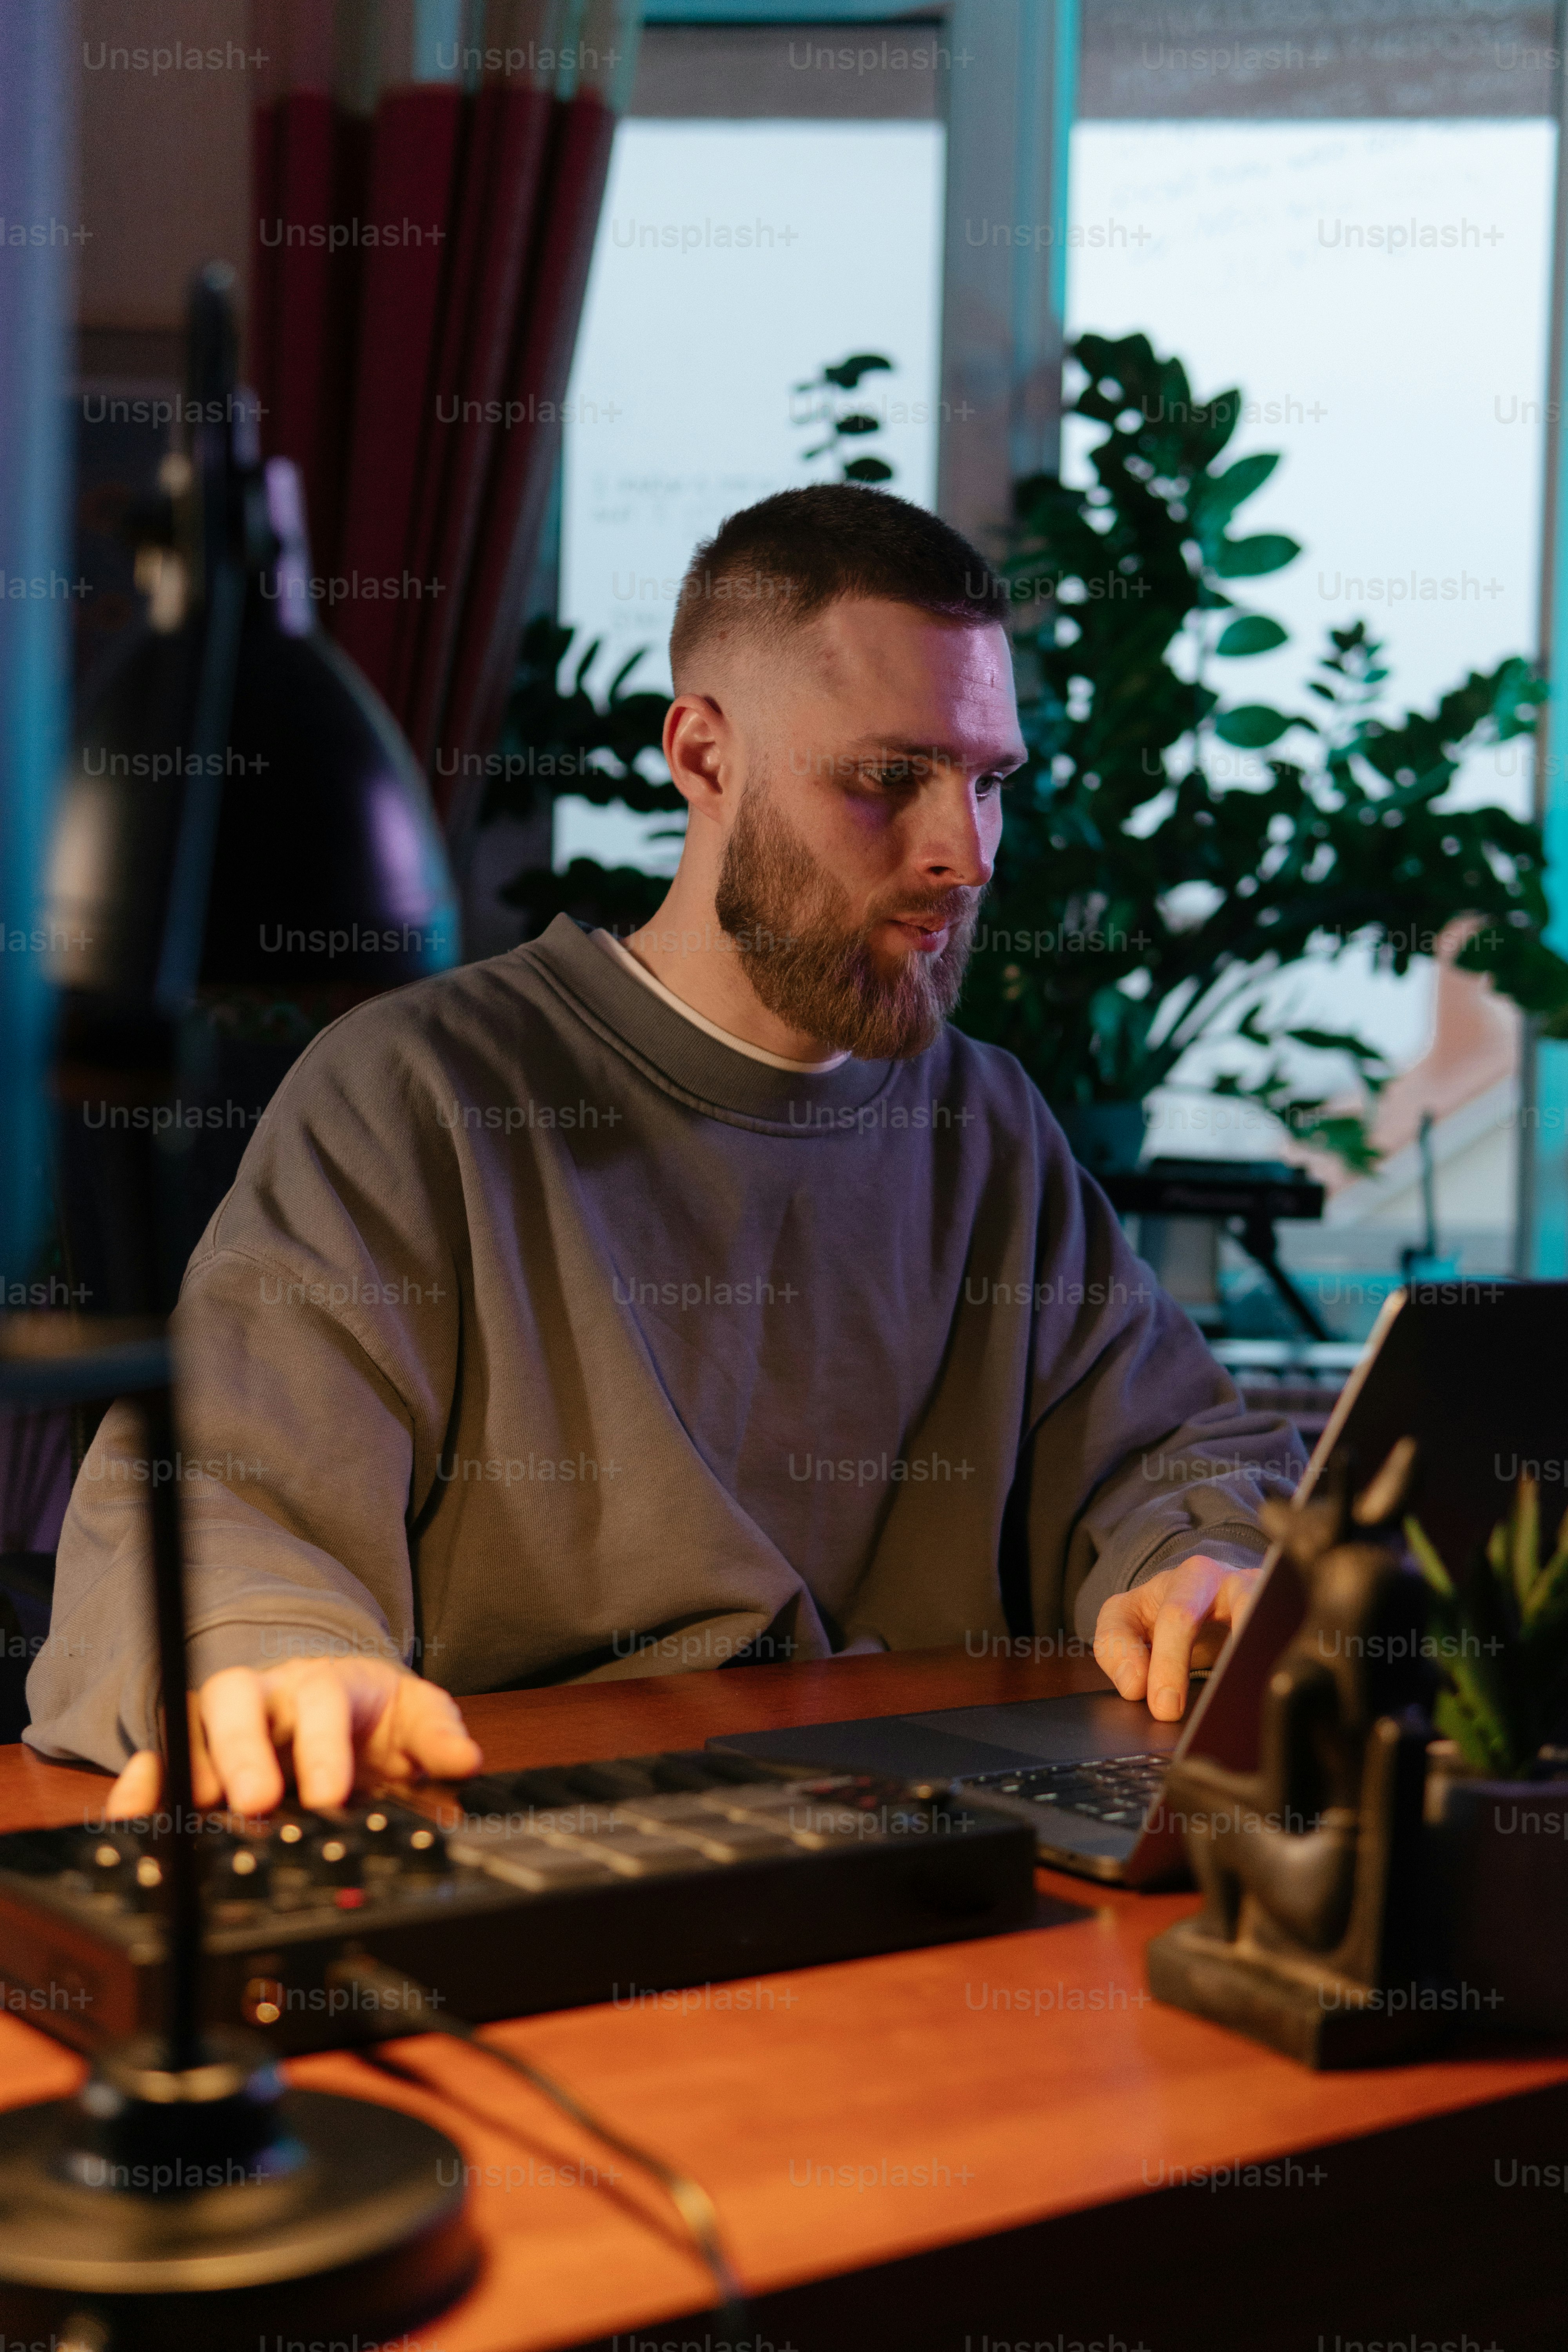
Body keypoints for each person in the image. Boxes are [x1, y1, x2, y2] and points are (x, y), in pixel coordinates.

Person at [27, 485, 1302, 1819]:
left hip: (934, 1857)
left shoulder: (987, 1128)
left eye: (988, 785)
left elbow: (1179, 1457)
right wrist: (277, 1660)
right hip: (559, 1847)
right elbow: (220, 1498)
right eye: (888, 778)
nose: (962, 854)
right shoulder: (424, 1095)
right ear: (701, 756)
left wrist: (1201, 1561)